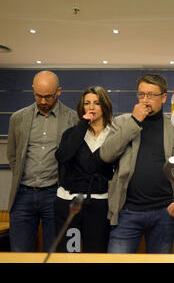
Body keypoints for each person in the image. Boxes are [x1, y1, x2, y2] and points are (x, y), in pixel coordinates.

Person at [100, 73, 174, 253]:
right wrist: (134, 121)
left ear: (164, 97)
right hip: (126, 212)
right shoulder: (122, 122)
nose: (145, 100)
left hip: (164, 212)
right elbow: (106, 154)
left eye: (151, 95)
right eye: (141, 94)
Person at [6, 70, 78, 252]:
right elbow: (13, 155)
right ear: (33, 91)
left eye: (48, 97)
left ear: (59, 92)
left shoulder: (73, 119)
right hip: (22, 194)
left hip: (55, 194)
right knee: (19, 254)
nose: (43, 101)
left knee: (53, 253)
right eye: (39, 96)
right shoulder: (18, 118)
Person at [54, 86, 115, 253]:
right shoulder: (73, 133)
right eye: (87, 103)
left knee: (95, 253)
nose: (91, 107)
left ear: (105, 106)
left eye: (97, 103)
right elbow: (62, 157)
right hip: (69, 203)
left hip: (99, 204)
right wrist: (82, 125)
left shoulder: (114, 134)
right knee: (69, 253)